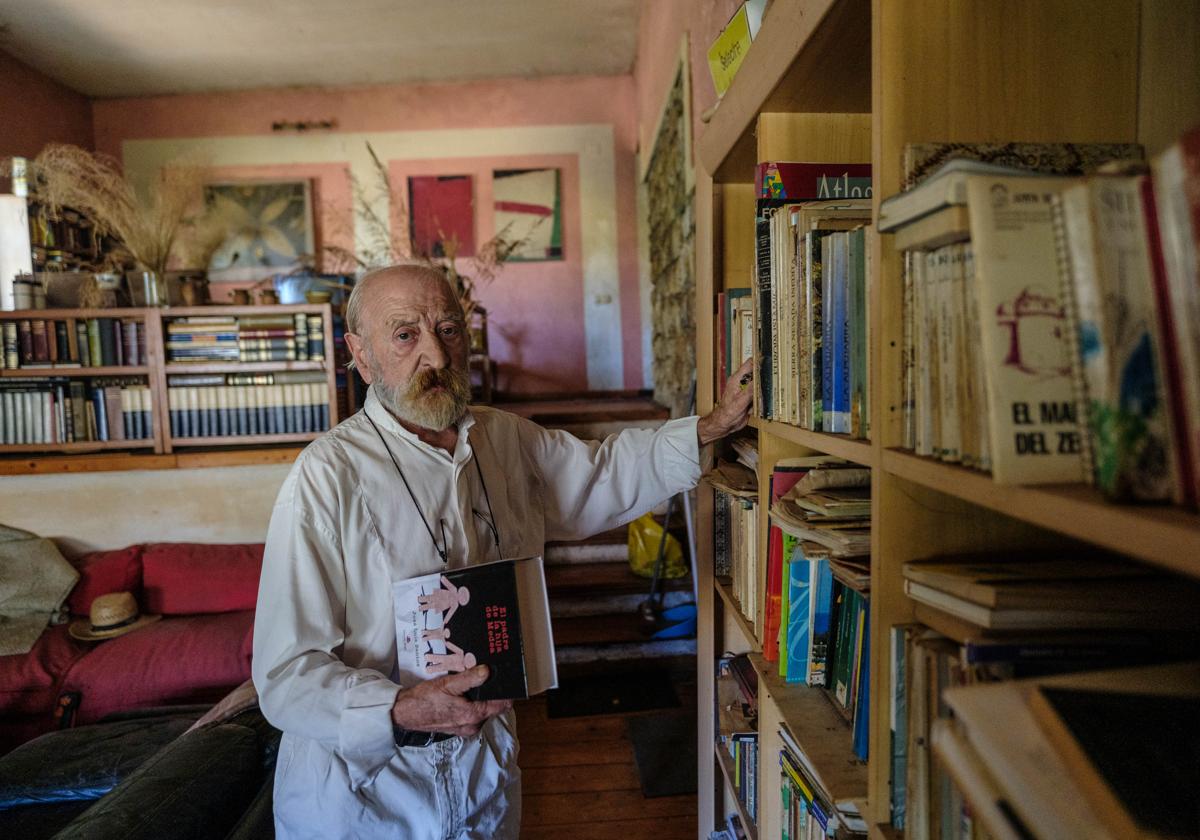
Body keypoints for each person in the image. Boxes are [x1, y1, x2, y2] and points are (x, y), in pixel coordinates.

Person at [252, 263, 753, 839]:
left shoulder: (503, 437)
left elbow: (600, 474)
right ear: (361, 355)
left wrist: (709, 428)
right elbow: (286, 675)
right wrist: (398, 708)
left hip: (480, 779)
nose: (436, 358)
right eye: (406, 335)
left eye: (447, 330)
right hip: (365, 803)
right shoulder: (325, 475)